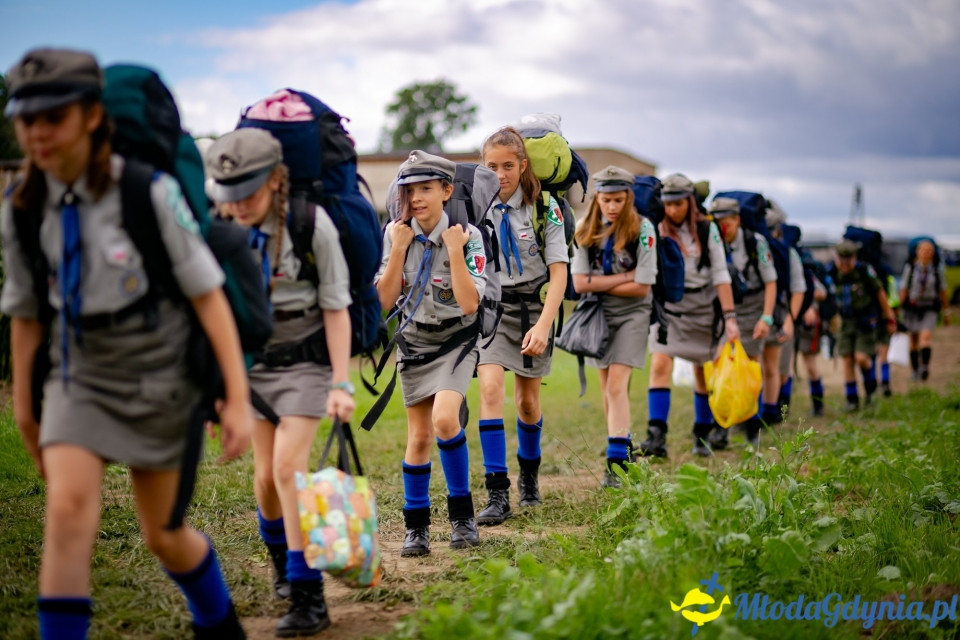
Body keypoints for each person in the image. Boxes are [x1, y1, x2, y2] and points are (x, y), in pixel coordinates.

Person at [1, 48, 251, 639]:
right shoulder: (22, 208)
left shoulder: (148, 192)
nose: (36, 133)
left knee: (163, 535)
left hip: (161, 376)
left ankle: (219, 624)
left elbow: (208, 297)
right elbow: (28, 314)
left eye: (53, 117)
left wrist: (235, 395)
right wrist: (24, 407)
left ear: (91, 116)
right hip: (78, 375)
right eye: (24, 118)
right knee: (65, 513)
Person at [206, 128, 355, 637]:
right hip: (250, 365)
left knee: (290, 469)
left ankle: (309, 596)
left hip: (307, 361)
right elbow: (213, 311)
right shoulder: (221, 227)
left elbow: (337, 310)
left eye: (248, 191)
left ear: (276, 180)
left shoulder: (313, 226)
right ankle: (282, 568)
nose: (237, 204)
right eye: (228, 194)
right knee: (265, 478)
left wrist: (341, 383)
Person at [376, 150, 488, 556]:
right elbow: (384, 302)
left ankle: (462, 517)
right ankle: (416, 527)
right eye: (410, 190)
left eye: (426, 189)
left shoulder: (469, 236)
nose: (417, 198)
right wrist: (400, 250)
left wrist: (454, 250)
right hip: (415, 342)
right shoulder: (396, 234)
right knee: (418, 436)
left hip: (456, 343)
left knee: (444, 420)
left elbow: (470, 303)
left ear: (445, 190)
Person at [474, 127, 568, 522]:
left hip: (534, 309)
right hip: (494, 309)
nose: (500, 174)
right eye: (491, 166)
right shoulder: (476, 206)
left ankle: (529, 477)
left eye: (508, 166)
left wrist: (545, 326)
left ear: (523, 165)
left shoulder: (545, 208)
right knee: (491, 388)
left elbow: (559, 273)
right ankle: (497, 492)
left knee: (528, 404)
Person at [641, 173, 738, 458]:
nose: (673, 210)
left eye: (679, 204)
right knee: (659, 364)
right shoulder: (656, 227)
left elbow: (721, 275)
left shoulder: (708, 231)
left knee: (701, 370)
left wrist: (730, 318)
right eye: (668, 204)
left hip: (703, 307)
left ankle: (702, 434)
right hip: (670, 306)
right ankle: (656, 437)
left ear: (690, 203)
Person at [571, 166, 656, 487]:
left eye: (619, 199)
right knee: (607, 388)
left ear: (628, 198)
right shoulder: (585, 228)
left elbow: (644, 286)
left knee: (617, 385)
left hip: (634, 314)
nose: (612, 206)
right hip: (599, 314)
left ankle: (616, 463)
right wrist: (623, 277)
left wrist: (600, 282)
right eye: (606, 199)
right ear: (598, 199)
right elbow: (579, 283)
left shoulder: (643, 229)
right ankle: (623, 442)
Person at [705, 197, 778, 448]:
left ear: (736, 219)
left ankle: (751, 424)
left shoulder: (755, 243)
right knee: (721, 364)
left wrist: (766, 318)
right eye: (717, 222)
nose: (722, 228)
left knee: (750, 369)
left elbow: (770, 281)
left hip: (753, 307)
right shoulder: (711, 241)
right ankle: (722, 424)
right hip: (724, 308)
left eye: (726, 222)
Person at [829, 240, 896, 411]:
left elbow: (880, 292)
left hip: (865, 321)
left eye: (848, 260)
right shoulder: (833, 272)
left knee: (861, 358)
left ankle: (870, 389)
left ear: (854, 258)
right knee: (847, 359)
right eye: (841, 260)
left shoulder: (864, 271)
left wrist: (889, 317)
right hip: (845, 323)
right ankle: (852, 399)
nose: (844, 264)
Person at [765, 203, 805, 420]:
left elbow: (798, 289)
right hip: (761, 317)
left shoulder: (787, 254)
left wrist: (790, 321)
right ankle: (763, 412)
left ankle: (780, 407)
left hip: (782, 316)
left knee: (781, 368)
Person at [900, 240, 950, 382]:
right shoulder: (910, 268)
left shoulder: (936, 269)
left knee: (925, 338)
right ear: (918, 252)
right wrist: (898, 309)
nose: (927, 254)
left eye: (930, 251)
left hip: (929, 308)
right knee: (913, 341)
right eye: (924, 251)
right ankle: (915, 370)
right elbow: (904, 289)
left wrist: (946, 311)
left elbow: (942, 291)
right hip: (912, 308)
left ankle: (924, 367)